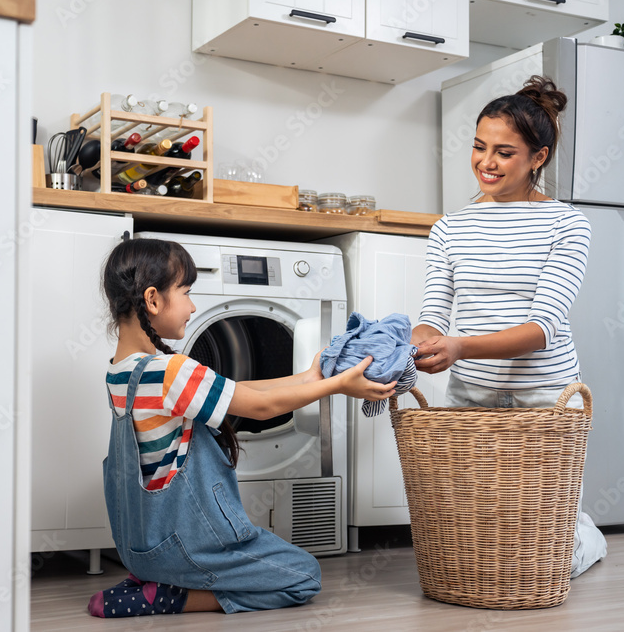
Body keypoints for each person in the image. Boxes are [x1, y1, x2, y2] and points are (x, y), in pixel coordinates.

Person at [87, 237, 396, 617]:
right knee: (304, 575)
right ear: (152, 299)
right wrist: (337, 385)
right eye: (185, 291)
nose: (193, 305)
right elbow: (261, 407)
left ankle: (157, 580)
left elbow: (239, 392)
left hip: (139, 546)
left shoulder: (121, 372)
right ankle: (173, 597)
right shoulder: (170, 371)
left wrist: (308, 376)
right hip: (188, 543)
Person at [413, 75, 607, 577]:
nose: (486, 163)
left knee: (546, 558)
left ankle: (585, 538)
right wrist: (410, 345)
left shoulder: (567, 224)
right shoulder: (449, 228)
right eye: (479, 148)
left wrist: (457, 348)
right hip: (470, 395)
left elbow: (542, 327)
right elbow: (434, 311)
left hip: (545, 396)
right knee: (476, 528)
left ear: (537, 158)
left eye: (504, 152)